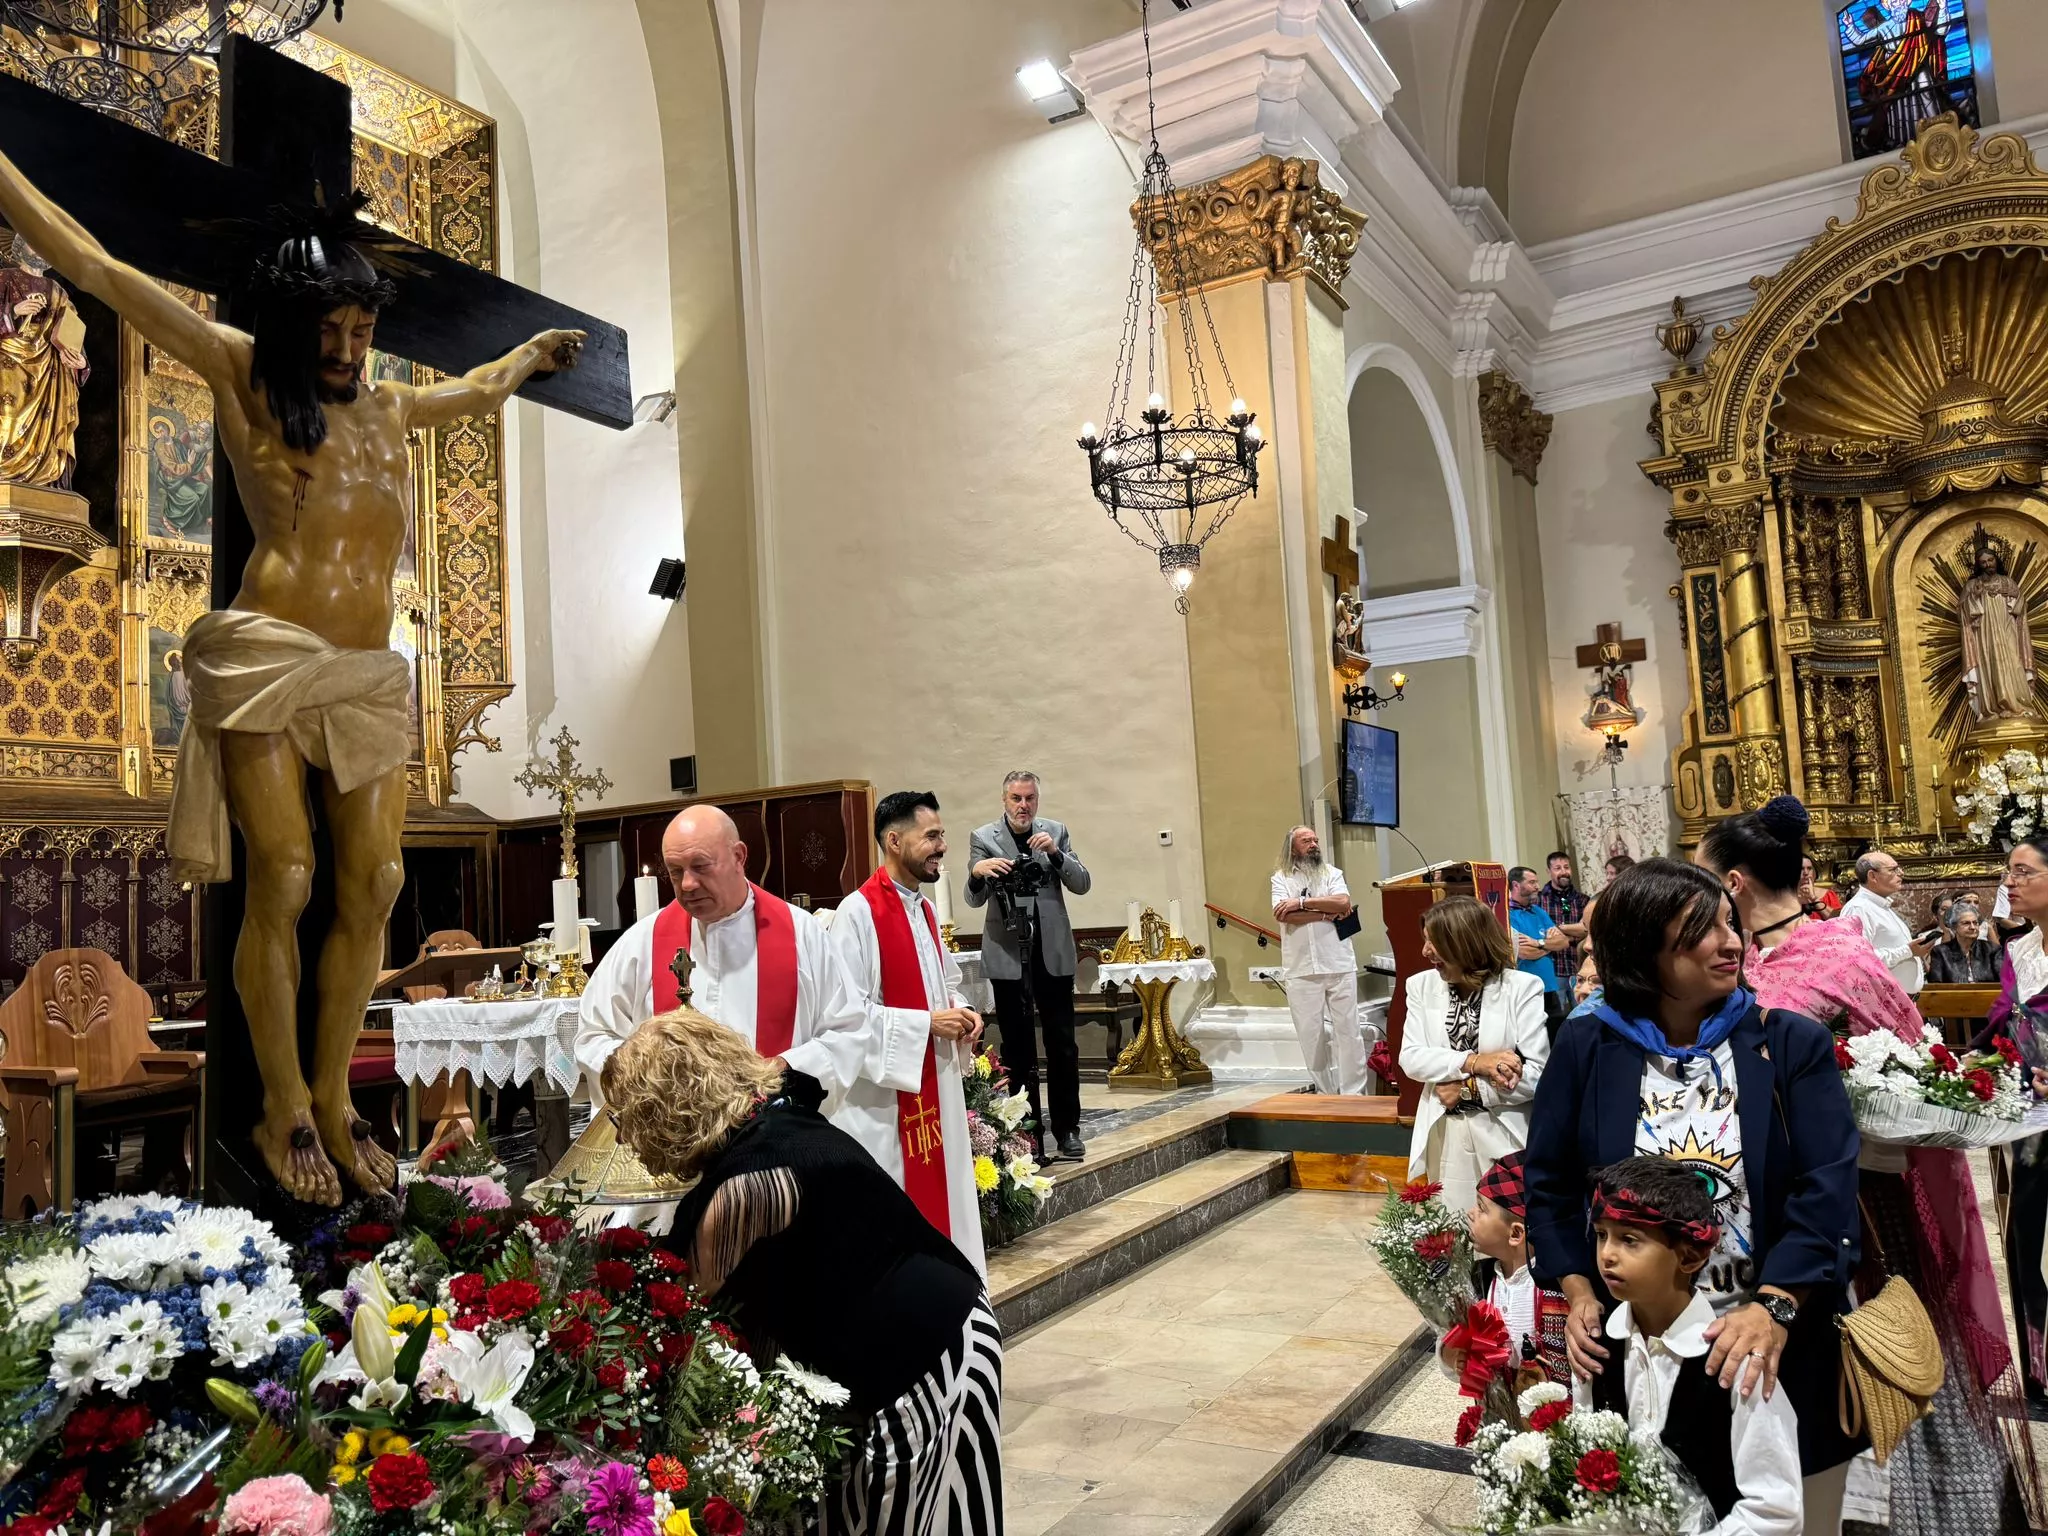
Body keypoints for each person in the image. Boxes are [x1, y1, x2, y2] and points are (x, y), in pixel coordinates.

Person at [0, 143, 587, 1205]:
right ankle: (278, 1105)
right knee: (286, 876)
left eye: (362, 330)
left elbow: (479, 388)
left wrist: (527, 359)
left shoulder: (392, 410)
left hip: (365, 670)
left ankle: (330, 1096)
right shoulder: (238, 370)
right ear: (289, 325)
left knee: (376, 881)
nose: (350, 348)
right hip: (269, 652)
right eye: (331, 330)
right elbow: (95, 266)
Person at [1699, 797, 2034, 1535]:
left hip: (1858, 1197)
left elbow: (1910, 1055)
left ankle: (1942, 1517)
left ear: (1734, 884)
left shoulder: (1838, 952)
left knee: (1891, 1359)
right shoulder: (1731, 963)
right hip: (1759, 1209)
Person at [1524, 859, 1863, 1534]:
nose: (1731, 942)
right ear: (1643, 948)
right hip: (1646, 1349)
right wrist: (1579, 1286)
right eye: (1698, 931)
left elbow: (1827, 1185)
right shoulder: (1591, 1044)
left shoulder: (1786, 1042)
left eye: (1728, 924)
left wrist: (1776, 1305)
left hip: (1772, 1343)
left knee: (1793, 1516)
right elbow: (1552, 1180)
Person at [606, 1010, 1002, 1536]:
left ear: (665, 1112)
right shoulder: (774, 1122)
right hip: (893, 1349)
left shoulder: (749, 1184)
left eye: (628, 1122)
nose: (628, 1143)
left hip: (928, 1356)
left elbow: (686, 1307)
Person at [573, 806, 881, 1226]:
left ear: (739, 856)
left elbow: (847, 1032)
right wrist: (648, 1075)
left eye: (701, 867)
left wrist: (782, 1070)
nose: (687, 885)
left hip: (773, 1160)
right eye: (675, 870)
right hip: (667, 1168)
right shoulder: (643, 942)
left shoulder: (802, 935)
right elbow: (593, 1035)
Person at [1579, 1156, 1802, 1536]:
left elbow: (1776, 1511)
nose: (1607, 1254)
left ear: (1690, 1256)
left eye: (1629, 1239)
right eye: (1602, 1235)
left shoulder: (1736, 1362)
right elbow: (1584, 1455)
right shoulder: (1596, 1347)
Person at [829, 791, 989, 1276]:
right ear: (894, 840)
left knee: (947, 1201)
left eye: (942, 835)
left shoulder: (921, 909)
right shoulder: (857, 913)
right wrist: (926, 1024)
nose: (942, 846)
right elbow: (845, 1015)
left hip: (935, 1087)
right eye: (932, 836)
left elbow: (946, 985)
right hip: (885, 1104)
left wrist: (962, 1013)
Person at [965, 772, 1091, 1162]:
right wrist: (977, 872)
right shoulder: (983, 837)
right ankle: (1026, 1132)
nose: (1024, 805)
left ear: (1038, 800)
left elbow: (1082, 882)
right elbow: (973, 899)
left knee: (1062, 1045)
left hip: (1050, 950)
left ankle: (1068, 1129)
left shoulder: (1056, 831)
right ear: (1004, 800)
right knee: (1018, 1048)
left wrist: (1056, 853)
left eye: (1030, 798)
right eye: (1016, 798)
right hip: (1008, 950)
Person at [1398, 896, 1549, 1213]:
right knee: (1458, 1237)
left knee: (1508, 1237)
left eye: (1433, 942)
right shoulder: (1421, 987)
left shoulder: (1521, 987)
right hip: (1447, 1131)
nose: (1426, 952)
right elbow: (1411, 1058)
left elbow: (1537, 1075)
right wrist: (1473, 1062)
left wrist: (1468, 1089)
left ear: (1463, 943)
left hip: (1503, 1132)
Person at [1989, 835, 2048, 1406]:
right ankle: (2042, 1371)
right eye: (2009, 872)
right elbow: (2003, 1026)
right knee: (2030, 1237)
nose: (2010, 882)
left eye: (2023, 872)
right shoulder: (2021, 951)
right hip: (2033, 1117)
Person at [1446, 1151, 1569, 1388]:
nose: (1471, 1213)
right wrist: (1455, 1356)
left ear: (1515, 1234)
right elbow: (1455, 1339)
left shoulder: (1554, 1288)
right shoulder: (1479, 1278)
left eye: (1481, 1208)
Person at [1270, 824, 1366, 1095]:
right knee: (1311, 1037)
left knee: (1349, 1033)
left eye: (1315, 840)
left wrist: (1300, 904)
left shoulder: (1332, 874)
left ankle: (1354, 1094)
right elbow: (1283, 916)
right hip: (1301, 967)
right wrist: (1324, 913)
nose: (1313, 844)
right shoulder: (1280, 879)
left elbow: (1342, 904)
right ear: (1292, 848)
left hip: (1338, 962)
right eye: (1305, 841)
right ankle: (1325, 1094)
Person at [1842, 848, 1938, 995]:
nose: (1901, 873)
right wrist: (1908, 951)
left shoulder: (1881, 906)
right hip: (1881, 1001)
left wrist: (1913, 950)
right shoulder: (1859, 908)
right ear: (1873, 876)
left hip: (1899, 1000)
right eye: (1893, 870)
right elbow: (1858, 958)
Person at [1508, 865, 1571, 1035]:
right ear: (1516, 885)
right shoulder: (1507, 915)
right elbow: (1524, 952)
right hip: (1526, 990)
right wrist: (1549, 946)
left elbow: (1563, 942)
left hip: (1550, 987)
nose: (1537, 886)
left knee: (1556, 1037)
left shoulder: (1538, 911)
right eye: (1531, 882)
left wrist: (1537, 943)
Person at [1535, 851, 1589, 992]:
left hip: (1579, 969)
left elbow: (1586, 930)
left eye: (1566, 867)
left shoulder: (1583, 900)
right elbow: (1539, 934)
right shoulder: (1538, 901)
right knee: (1557, 1014)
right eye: (1557, 868)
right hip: (1552, 971)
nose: (1563, 872)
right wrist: (1573, 932)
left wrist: (1559, 929)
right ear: (1549, 871)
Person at [1929, 901, 2002, 984]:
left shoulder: (1992, 950)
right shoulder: (1941, 952)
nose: (1972, 927)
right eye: (1966, 923)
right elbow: (1935, 986)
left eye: (1975, 923)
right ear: (1954, 927)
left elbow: (2005, 983)